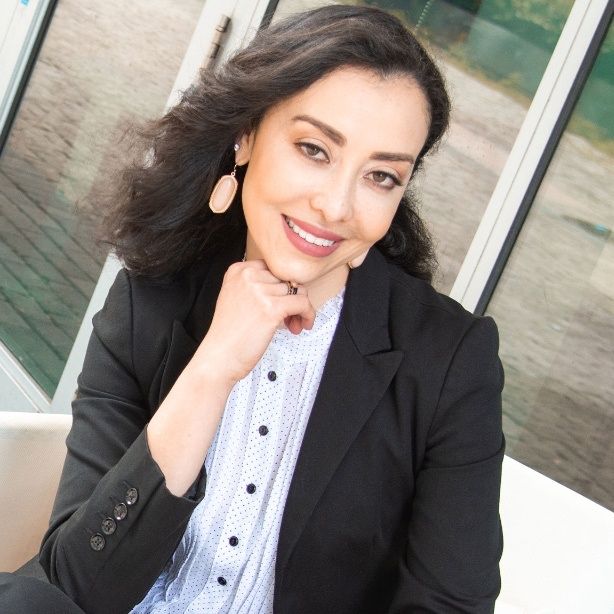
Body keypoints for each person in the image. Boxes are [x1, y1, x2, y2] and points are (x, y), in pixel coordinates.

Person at [1, 5, 504, 613]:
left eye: (381, 177)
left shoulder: (450, 360)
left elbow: (451, 605)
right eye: (314, 149)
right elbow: (74, 586)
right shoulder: (148, 302)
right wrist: (212, 369)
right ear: (246, 135)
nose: (336, 206)